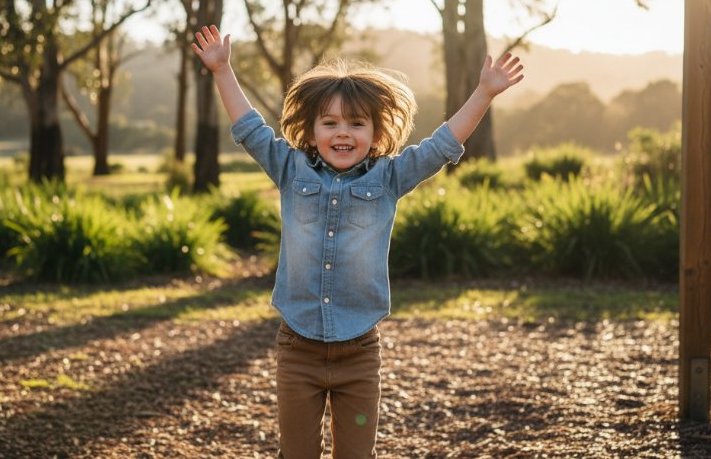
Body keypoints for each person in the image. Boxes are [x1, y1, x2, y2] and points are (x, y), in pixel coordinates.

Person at [190, 25, 525, 459]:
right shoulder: (291, 172)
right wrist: (222, 70)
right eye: (329, 123)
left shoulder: (388, 178)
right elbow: (251, 129)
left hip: (360, 350)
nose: (342, 132)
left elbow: (441, 146)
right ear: (310, 131)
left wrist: (483, 93)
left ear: (376, 132)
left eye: (356, 123)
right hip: (298, 349)